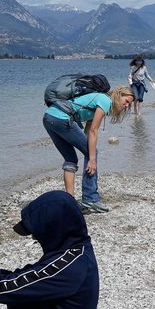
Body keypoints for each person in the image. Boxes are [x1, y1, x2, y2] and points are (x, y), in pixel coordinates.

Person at [43, 85, 134, 213]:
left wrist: (88, 151)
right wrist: (91, 159)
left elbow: (87, 132)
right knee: (92, 153)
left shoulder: (99, 100)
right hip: (61, 118)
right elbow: (93, 131)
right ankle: (90, 199)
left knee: (71, 158)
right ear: (119, 95)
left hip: (49, 117)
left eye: (129, 105)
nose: (126, 106)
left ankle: (70, 202)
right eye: (126, 102)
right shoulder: (105, 101)